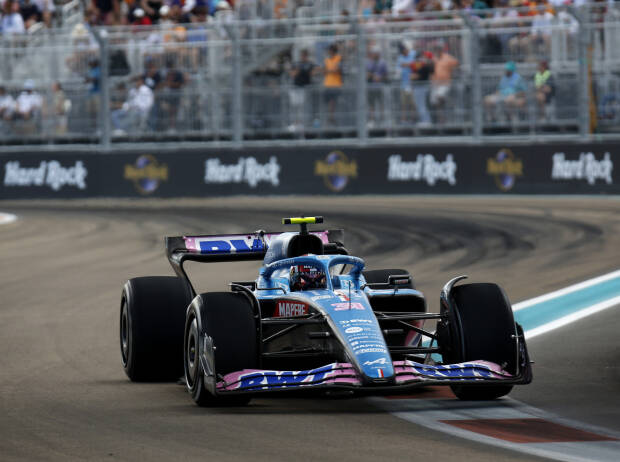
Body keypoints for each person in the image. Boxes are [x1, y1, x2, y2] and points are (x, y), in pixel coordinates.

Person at [288, 48, 315, 131]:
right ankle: (295, 123)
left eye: (305, 55)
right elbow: (292, 74)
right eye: (302, 55)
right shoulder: (296, 64)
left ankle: (302, 123)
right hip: (296, 88)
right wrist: (298, 70)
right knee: (295, 106)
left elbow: (313, 73)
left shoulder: (309, 64)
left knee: (303, 107)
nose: (303, 57)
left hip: (304, 88)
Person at [430, 45, 459, 124]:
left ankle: (448, 104)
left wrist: (453, 73)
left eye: (438, 50)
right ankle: (440, 119)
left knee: (440, 96)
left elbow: (457, 64)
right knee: (435, 102)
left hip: (445, 83)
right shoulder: (433, 59)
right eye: (435, 50)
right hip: (435, 84)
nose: (437, 52)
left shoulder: (447, 58)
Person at [366, 45, 388, 127]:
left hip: (380, 86)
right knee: (371, 104)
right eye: (374, 53)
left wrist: (380, 77)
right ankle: (372, 120)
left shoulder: (383, 63)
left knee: (381, 103)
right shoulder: (369, 62)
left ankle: (382, 120)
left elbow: (386, 75)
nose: (375, 54)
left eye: (376, 53)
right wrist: (373, 76)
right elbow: (367, 74)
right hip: (371, 86)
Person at [411, 51, 434, 126]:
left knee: (421, 105)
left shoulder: (424, 66)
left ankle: (426, 121)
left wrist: (413, 76)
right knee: (419, 105)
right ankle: (424, 120)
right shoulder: (421, 66)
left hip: (421, 87)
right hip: (419, 87)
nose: (418, 60)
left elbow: (416, 76)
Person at [322, 44, 343, 126]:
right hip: (327, 84)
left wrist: (329, 70)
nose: (328, 52)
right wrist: (330, 70)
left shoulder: (339, 58)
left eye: (329, 50)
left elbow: (337, 69)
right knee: (328, 103)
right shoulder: (327, 60)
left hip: (336, 85)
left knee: (334, 103)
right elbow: (324, 71)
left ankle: (333, 119)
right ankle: (330, 119)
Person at [396, 41, 416, 124]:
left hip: (413, 84)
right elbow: (398, 69)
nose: (403, 52)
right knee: (403, 104)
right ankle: (403, 120)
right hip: (404, 84)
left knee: (413, 103)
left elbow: (417, 64)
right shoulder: (400, 57)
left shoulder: (413, 54)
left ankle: (413, 119)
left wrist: (408, 65)